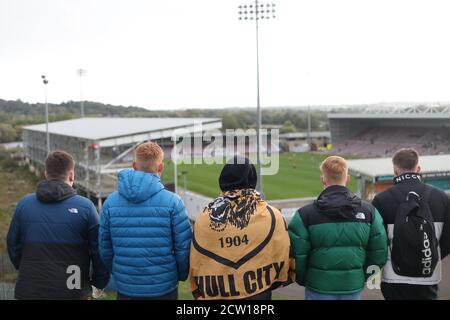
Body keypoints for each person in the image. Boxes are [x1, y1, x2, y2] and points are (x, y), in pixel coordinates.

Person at [7, 150, 109, 299]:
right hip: (72, 290)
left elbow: (12, 245)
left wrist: (27, 268)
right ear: (72, 175)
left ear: (46, 174)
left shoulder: (24, 204)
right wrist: (99, 282)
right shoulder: (86, 207)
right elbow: (99, 251)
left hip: (30, 289)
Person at [189, 156, 294, 300]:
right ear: (252, 180)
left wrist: (198, 290)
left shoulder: (203, 218)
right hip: (259, 292)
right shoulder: (272, 214)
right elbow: (283, 251)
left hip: (217, 293)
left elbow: (197, 259)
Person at [98, 142, 192, 300]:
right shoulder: (173, 202)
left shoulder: (110, 202)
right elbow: (183, 248)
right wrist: (180, 275)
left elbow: (104, 247)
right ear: (160, 168)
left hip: (126, 286)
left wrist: (118, 272)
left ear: (134, 166)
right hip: (164, 287)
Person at [288, 155, 388, 300]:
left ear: (323, 179)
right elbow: (379, 253)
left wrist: (306, 279)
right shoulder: (369, 212)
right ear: (347, 178)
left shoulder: (304, 215)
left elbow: (297, 257)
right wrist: (360, 275)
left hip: (318, 286)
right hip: (351, 286)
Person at [372, 148, 450, 300]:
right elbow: (448, 239)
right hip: (428, 274)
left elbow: (376, 242)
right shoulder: (442, 198)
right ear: (418, 169)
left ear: (395, 170)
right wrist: (430, 255)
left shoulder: (380, 200)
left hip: (394, 277)